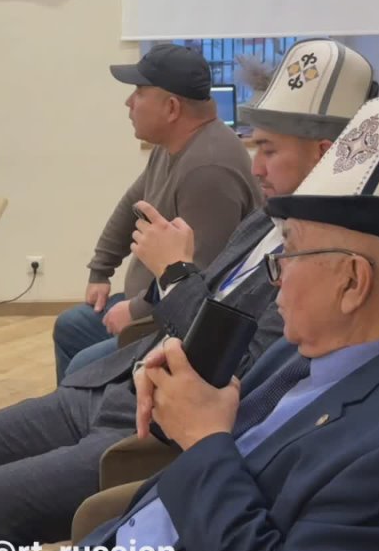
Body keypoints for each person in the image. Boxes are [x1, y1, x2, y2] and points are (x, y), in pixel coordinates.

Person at [0, 95, 379, 551]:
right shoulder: (313, 349)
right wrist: (176, 385)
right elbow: (228, 415)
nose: (277, 274)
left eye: (290, 253)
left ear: (352, 282)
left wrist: (205, 438)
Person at [0, 40, 375, 551]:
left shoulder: (326, 264)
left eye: (269, 150)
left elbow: (239, 367)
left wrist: (175, 273)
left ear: (323, 156)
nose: (257, 167)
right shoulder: (269, 217)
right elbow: (200, 286)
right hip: (125, 384)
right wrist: (147, 279)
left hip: (153, 424)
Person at [54, 44, 261, 381]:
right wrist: (100, 269)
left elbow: (200, 280)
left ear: (172, 107)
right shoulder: (172, 146)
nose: (129, 102)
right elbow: (132, 206)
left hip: (177, 322)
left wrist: (135, 311)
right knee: (69, 327)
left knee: (81, 365)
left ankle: (93, 410)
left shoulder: (208, 170)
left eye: (138, 92)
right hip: (152, 303)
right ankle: (74, 408)